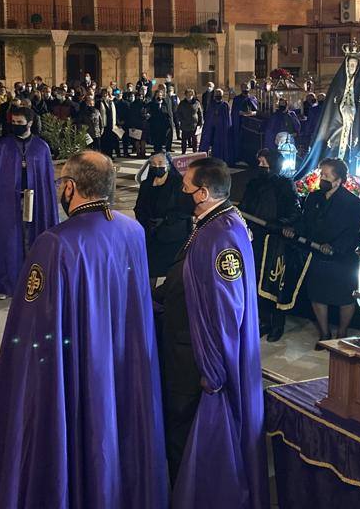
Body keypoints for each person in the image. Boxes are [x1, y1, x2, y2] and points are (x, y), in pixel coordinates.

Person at [0, 152, 168, 508]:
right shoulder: (132, 231)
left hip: (79, 372)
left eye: (62, 183)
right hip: (123, 366)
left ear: (70, 187)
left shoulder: (55, 243)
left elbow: (33, 329)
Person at [155, 157, 267, 508]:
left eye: (186, 187)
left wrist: (214, 370)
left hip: (194, 358)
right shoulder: (213, 224)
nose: (182, 192)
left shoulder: (221, 236)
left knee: (183, 434)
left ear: (203, 193)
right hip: (185, 345)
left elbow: (226, 311)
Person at [0, 106, 60, 298]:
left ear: (30, 123)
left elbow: (46, 178)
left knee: (32, 240)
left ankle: (35, 283)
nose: (16, 126)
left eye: (20, 122)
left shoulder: (41, 147)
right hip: (8, 201)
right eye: (14, 122)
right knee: (8, 241)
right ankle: (5, 284)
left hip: (36, 200)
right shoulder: (3, 146)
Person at [285, 158, 360, 346]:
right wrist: (294, 230)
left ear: (339, 180)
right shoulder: (314, 197)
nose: (322, 179)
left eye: (327, 176)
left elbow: (352, 232)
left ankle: (342, 331)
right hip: (317, 254)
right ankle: (324, 332)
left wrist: (334, 247)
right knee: (318, 293)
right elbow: (305, 222)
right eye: (322, 174)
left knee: (344, 296)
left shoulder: (350, 202)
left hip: (341, 257)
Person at [240, 148, 302, 342]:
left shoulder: (285, 184)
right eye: (259, 163)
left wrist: (282, 224)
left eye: (264, 164)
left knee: (274, 283)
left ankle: (277, 323)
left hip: (275, 241)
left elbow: (294, 210)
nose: (261, 167)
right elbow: (245, 207)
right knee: (257, 280)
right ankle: (264, 320)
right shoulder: (253, 183)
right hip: (256, 238)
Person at [134, 152, 190, 283]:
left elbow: (185, 210)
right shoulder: (146, 184)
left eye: (160, 164)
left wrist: (166, 219)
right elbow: (139, 207)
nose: (156, 167)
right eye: (153, 164)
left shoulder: (178, 184)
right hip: (151, 235)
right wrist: (145, 220)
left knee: (172, 273)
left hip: (172, 237)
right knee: (150, 271)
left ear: (168, 166)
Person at [198, 89, 232, 164]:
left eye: (219, 94)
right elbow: (208, 116)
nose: (218, 95)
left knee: (219, 144)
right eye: (216, 94)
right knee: (208, 142)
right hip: (211, 128)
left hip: (220, 129)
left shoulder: (225, 105)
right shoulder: (211, 104)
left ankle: (220, 158)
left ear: (222, 96)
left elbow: (227, 119)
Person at [230, 83, 258, 165]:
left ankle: (250, 159)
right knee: (240, 141)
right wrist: (240, 113)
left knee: (250, 143)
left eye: (247, 88)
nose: (245, 89)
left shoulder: (253, 98)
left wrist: (252, 113)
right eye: (244, 88)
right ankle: (240, 158)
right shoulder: (237, 99)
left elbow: (257, 110)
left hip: (251, 125)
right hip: (240, 124)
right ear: (241, 88)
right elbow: (234, 111)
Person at [147, 87, 174, 154]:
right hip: (154, 124)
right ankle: (157, 150)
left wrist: (170, 123)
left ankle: (162, 149)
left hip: (163, 124)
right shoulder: (151, 104)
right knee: (156, 138)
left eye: (161, 95)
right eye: (158, 95)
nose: (159, 96)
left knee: (163, 138)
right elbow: (148, 112)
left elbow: (169, 113)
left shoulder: (165, 104)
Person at [176, 89, 203, 154]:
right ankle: (183, 152)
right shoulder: (182, 103)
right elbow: (178, 113)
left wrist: (200, 123)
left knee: (194, 140)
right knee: (184, 140)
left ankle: (195, 152)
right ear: (185, 95)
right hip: (185, 124)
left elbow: (200, 113)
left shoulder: (196, 103)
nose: (189, 96)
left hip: (194, 125)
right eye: (188, 95)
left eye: (191, 95)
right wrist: (181, 120)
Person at [127, 91, 150, 158]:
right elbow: (131, 115)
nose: (140, 97)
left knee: (142, 139)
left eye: (141, 96)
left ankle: (142, 152)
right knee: (137, 140)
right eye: (139, 96)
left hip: (142, 124)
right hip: (137, 123)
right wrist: (132, 125)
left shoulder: (143, 104)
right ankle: (139, 153)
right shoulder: (134, 105)